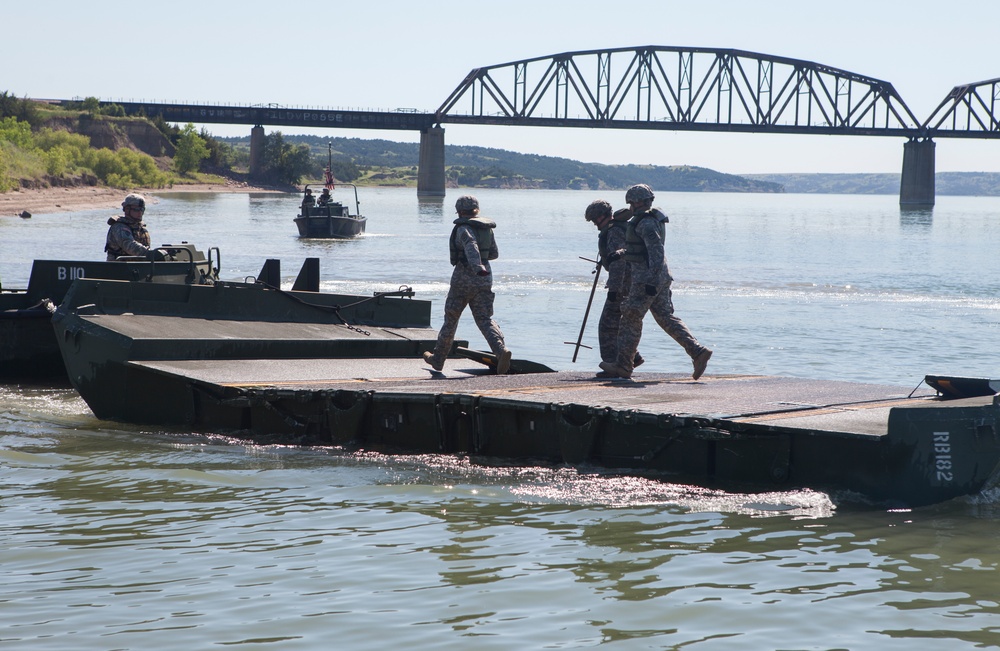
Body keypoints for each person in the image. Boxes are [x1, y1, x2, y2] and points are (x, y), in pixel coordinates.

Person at [599, 184, 712, 380]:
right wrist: (620, 254)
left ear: (636, 202)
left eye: (631, 203)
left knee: (630, 318)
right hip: (659, 277)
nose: (630, 207)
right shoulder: (647, 221)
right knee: (665, 318)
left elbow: (656, 252)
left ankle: (623, 366)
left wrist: (650, 281)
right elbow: (642, 250)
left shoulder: (645, 223)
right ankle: (697, 352)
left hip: (646, 279)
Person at [423, 195, 513, 374]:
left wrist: (476, 266)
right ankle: (501, 351)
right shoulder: (487, 229)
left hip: (464, 277)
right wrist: (482, 267)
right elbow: (493, 254)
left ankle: (438, 359)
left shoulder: (463, 228)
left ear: (460, 211)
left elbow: (471, 245)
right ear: (476, 210)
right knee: (484, 318)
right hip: (485, 278)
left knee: (451, 319)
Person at [584, 199, 643, 377]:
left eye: (595, 220)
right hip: (630, 283)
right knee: (619, 325)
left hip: (622, 285)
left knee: (607, 326)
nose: (595, 224)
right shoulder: (620, 228)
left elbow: (619, 264)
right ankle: (633, 358)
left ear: (603, 216)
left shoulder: (613, 231)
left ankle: (612, 365)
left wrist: (614, 291)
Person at [105, 193, 158, 261]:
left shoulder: (140, 228)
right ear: (127, 209)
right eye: (136, 210)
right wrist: (152, 254)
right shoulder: (119, 227)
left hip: (138, 267)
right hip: (119, 267)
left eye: (142, 210)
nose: (140, 213)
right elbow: (129, 246)